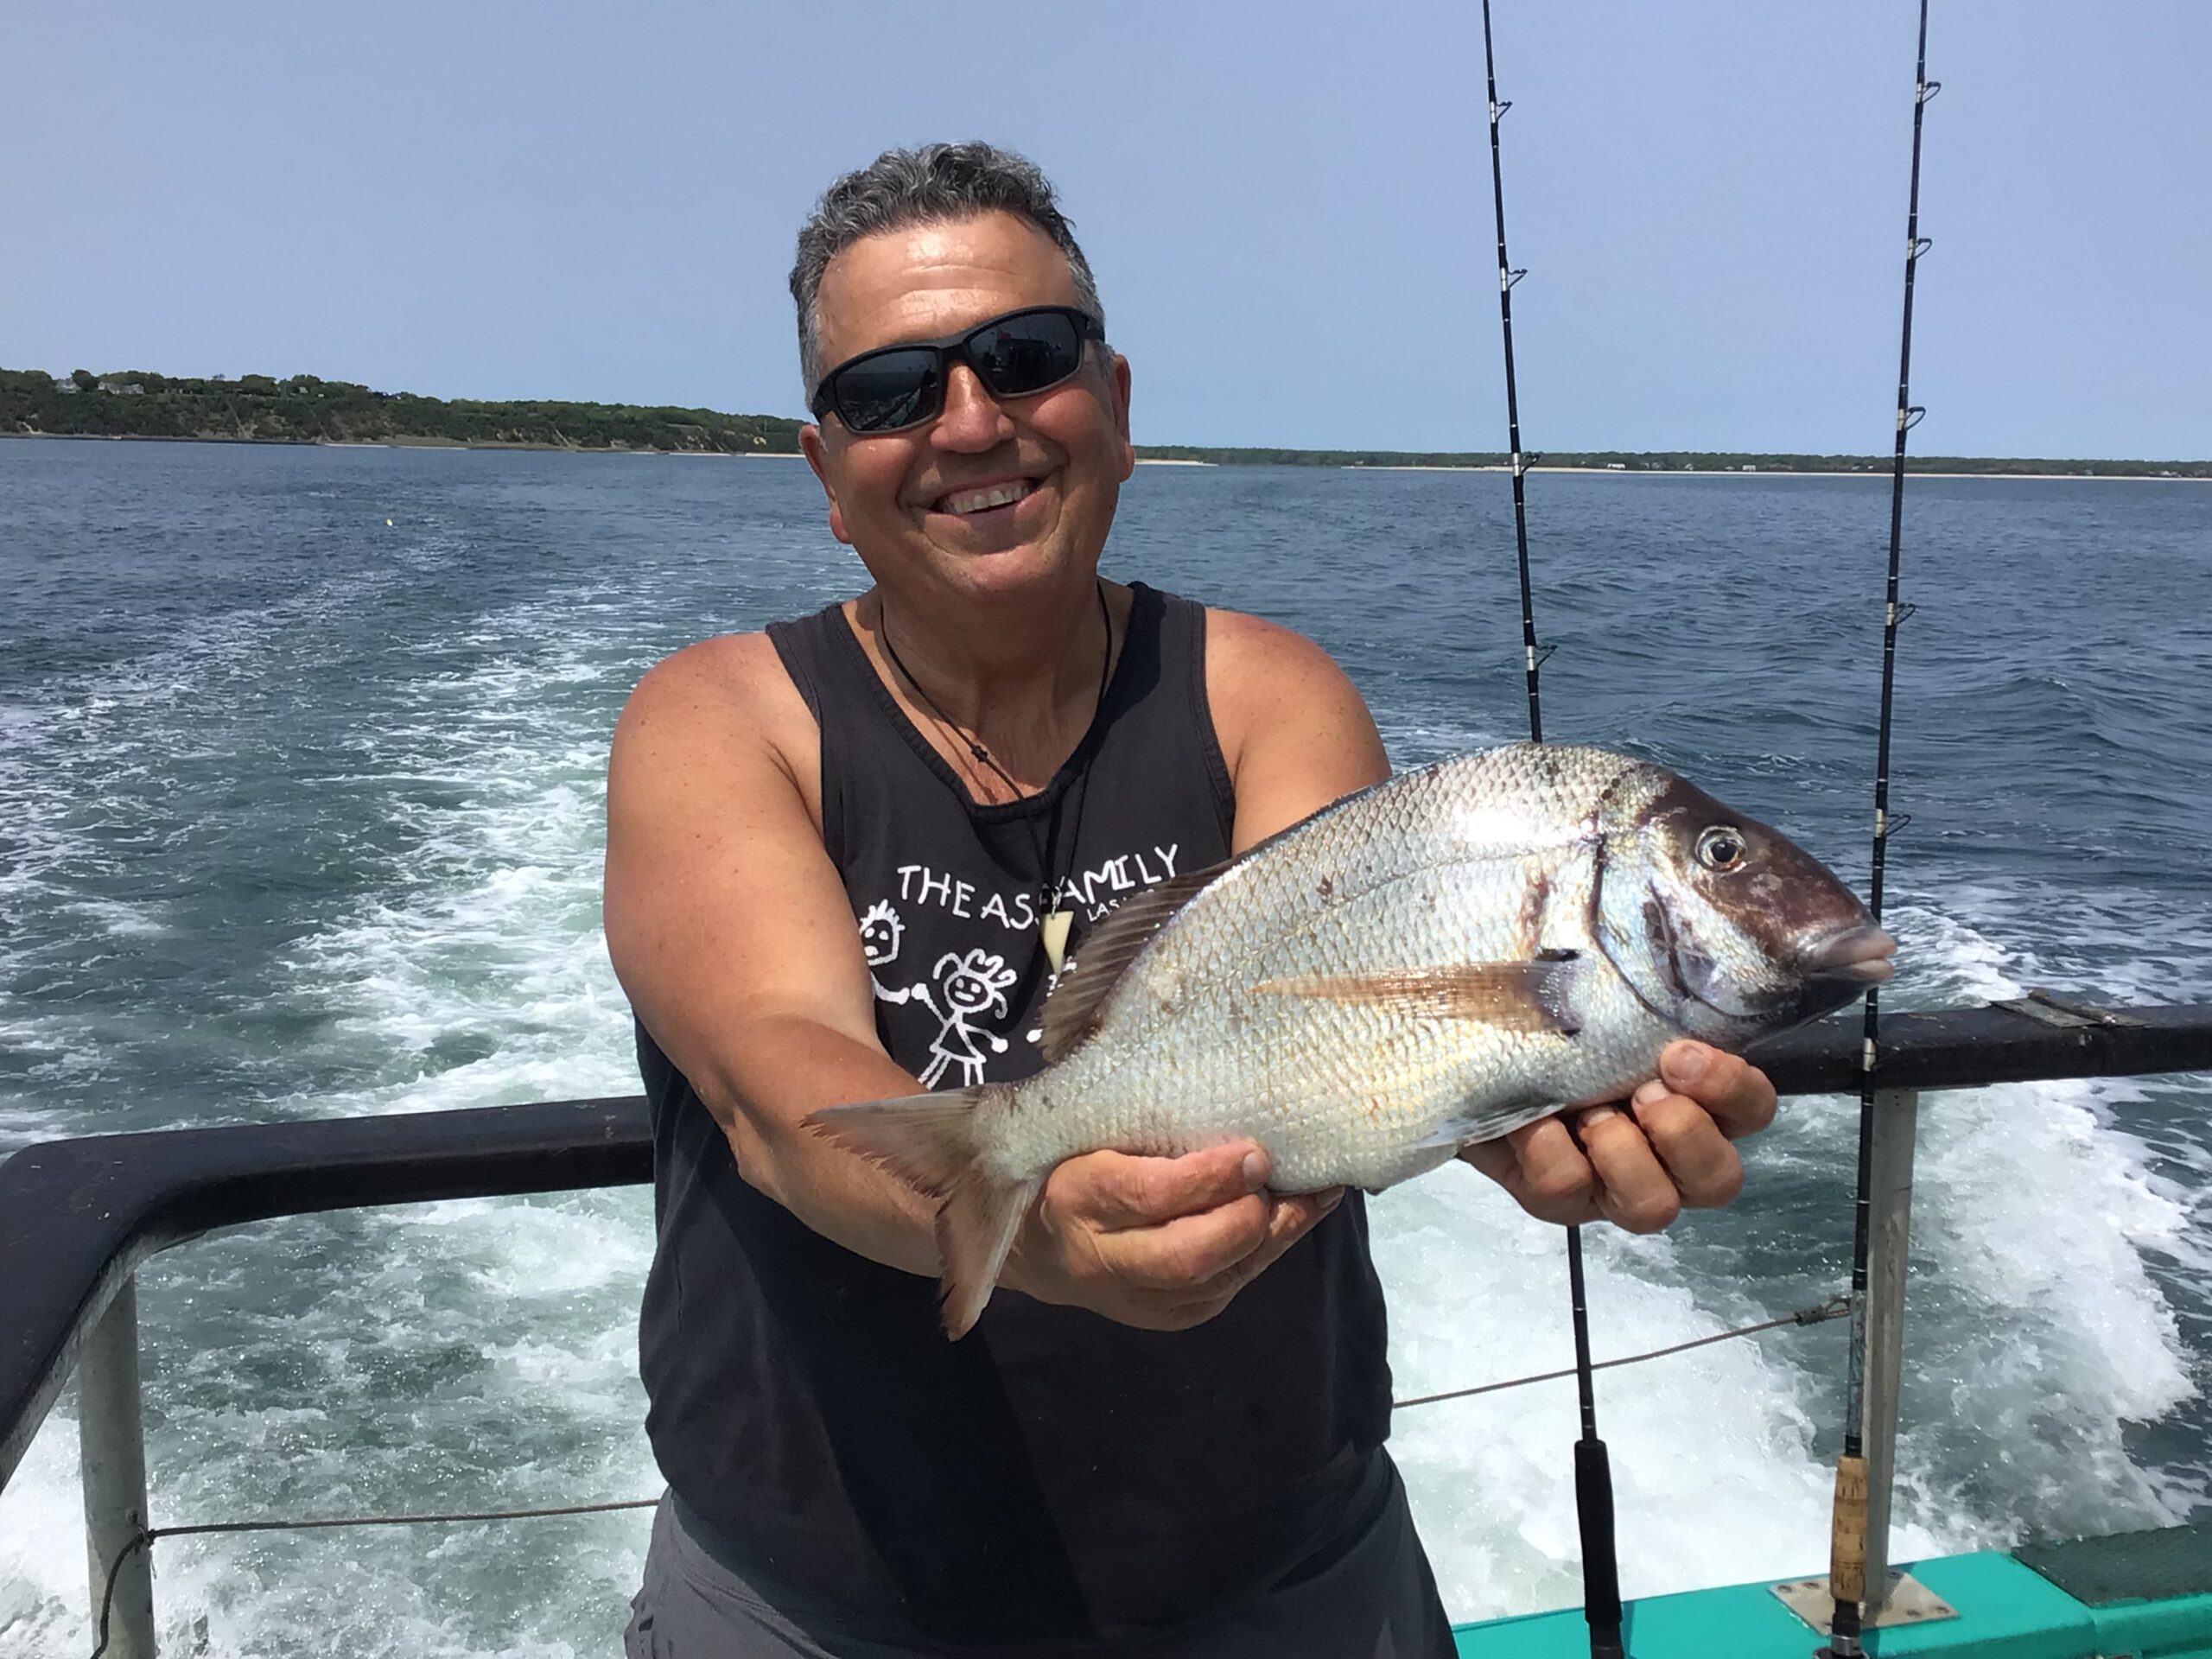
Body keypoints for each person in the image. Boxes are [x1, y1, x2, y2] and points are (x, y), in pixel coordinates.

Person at [604, 142, 1777, 1658]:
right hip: (819, 1598)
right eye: (888, 392)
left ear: (1118, 405)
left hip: (1280, 1578)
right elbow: (777, 1085)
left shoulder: (1265, 696)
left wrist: (1538, 1101)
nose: (970, 421)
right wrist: (1027, 1231)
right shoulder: (721, 719)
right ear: (830, 477)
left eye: (1024, 357)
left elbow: (1357, 1038)